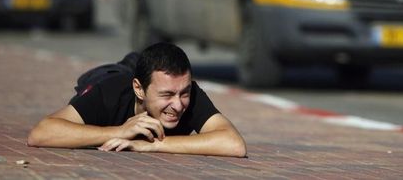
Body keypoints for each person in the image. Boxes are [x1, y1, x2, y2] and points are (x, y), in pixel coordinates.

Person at [27, 42, 247, 157]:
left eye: (183, 93)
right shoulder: (108, 94)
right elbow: (41, 133)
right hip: (109, 75)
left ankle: (138, 60)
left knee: (142, 64)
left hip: (140, 76)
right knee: (121, 69)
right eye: (167, 95)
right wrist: (119, 131)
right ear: (139, 91)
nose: (178, 105)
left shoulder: (187, 91)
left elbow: (234, 144)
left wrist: (152, 146)